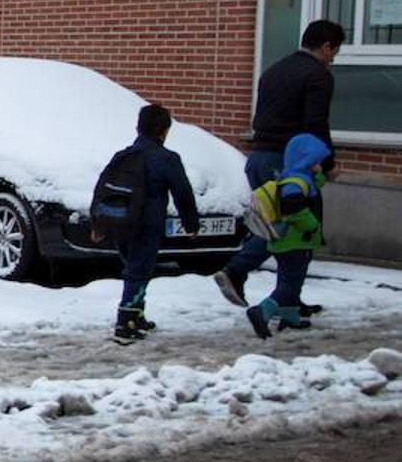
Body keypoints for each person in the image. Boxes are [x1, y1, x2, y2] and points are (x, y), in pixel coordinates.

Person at [213, 19, 344, 310]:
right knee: (292, 226)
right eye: (334, 51)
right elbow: (315, 125)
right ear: (326, 46)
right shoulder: (317, 76)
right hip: (287, 164)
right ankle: (237, 270)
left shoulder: (275, 69)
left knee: (280, 223)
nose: (333, 58)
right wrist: (327, 162)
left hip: (258, 157)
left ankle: (290, 301)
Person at [112, 104, 201, 345]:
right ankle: (126, 322)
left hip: (121, 224)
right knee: (138, 272)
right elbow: (183, 193)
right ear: (164, 131)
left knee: (134, 269)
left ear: (138, 128)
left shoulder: (123, 155)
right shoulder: (167, 159)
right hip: (147, 225)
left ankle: (137, 316)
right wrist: (191, 223)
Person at [245, 133, 331, 339]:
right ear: (306, 160)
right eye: (317, 160)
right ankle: (263, 310)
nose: (321, 163)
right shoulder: (297, 182)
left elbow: (311, 188)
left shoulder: (294, 177)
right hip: (295, 241)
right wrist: (311, 225)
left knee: (288, 279)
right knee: (291, 283)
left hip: (285, 242)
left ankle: (290, 315)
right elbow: (294, 206)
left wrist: (321, 176)